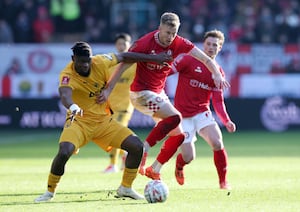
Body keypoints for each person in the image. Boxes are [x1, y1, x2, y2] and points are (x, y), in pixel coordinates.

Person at [96, 12, 230, 181]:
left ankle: (155, 168)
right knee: (176, 117)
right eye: (167, 33)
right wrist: (108, 89)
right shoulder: (144, 43)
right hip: (140, 93)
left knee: (179, 135)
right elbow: (124, 64)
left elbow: (206, 60)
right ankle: (144, 149)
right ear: (159, 28)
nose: (170, 37)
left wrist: (217, 74)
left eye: (174, 33)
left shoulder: (180, 43)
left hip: (158, 93)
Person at [34, 41, 172, 202]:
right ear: (73, 59)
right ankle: (49, 192)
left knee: (136, 147)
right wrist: (72, 106)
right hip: (79, 121)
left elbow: (126, 56)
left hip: (103, 122)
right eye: (81, 62)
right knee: (64, 151)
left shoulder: (100, 61)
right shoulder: (67, 75)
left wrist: (154, 58)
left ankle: (126, 188)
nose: (85, 65)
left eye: (88, 61)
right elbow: (65, 95)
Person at [172, 30, 236, 189]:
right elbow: (169, 72)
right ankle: (179, 166)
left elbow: (218, 101)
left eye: (215, 45)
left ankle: (223, 182)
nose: (211, 47)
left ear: (219, 48)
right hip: (182, 116)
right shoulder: (188, 60)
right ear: (203, 45)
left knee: (217, 142)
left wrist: (226, 120)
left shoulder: (218, 72)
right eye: (208, 44)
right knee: (188, 157)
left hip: (202, 113)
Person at [102, 33, 136, 173]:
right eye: (119, 44)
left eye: (124, 44)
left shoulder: (134, 65)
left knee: (115, 134)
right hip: (110, 107)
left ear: (129, 45)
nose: (121, 46)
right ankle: (126, 154)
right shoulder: (111, 65)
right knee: (118, 135)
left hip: (125, 106)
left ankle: (112, 165)